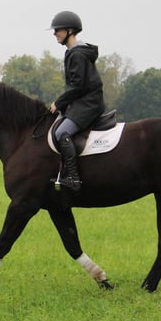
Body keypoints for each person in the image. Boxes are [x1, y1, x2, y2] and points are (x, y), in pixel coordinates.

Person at [49, 10, 106, 191]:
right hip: (83, 102)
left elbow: (78, 86)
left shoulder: (77, 54)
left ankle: (73, 178)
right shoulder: (73, 53)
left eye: (58, 30)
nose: (55, 33)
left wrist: (58, 103)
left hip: (88, 104)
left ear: (70, 31)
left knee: (61, 133)